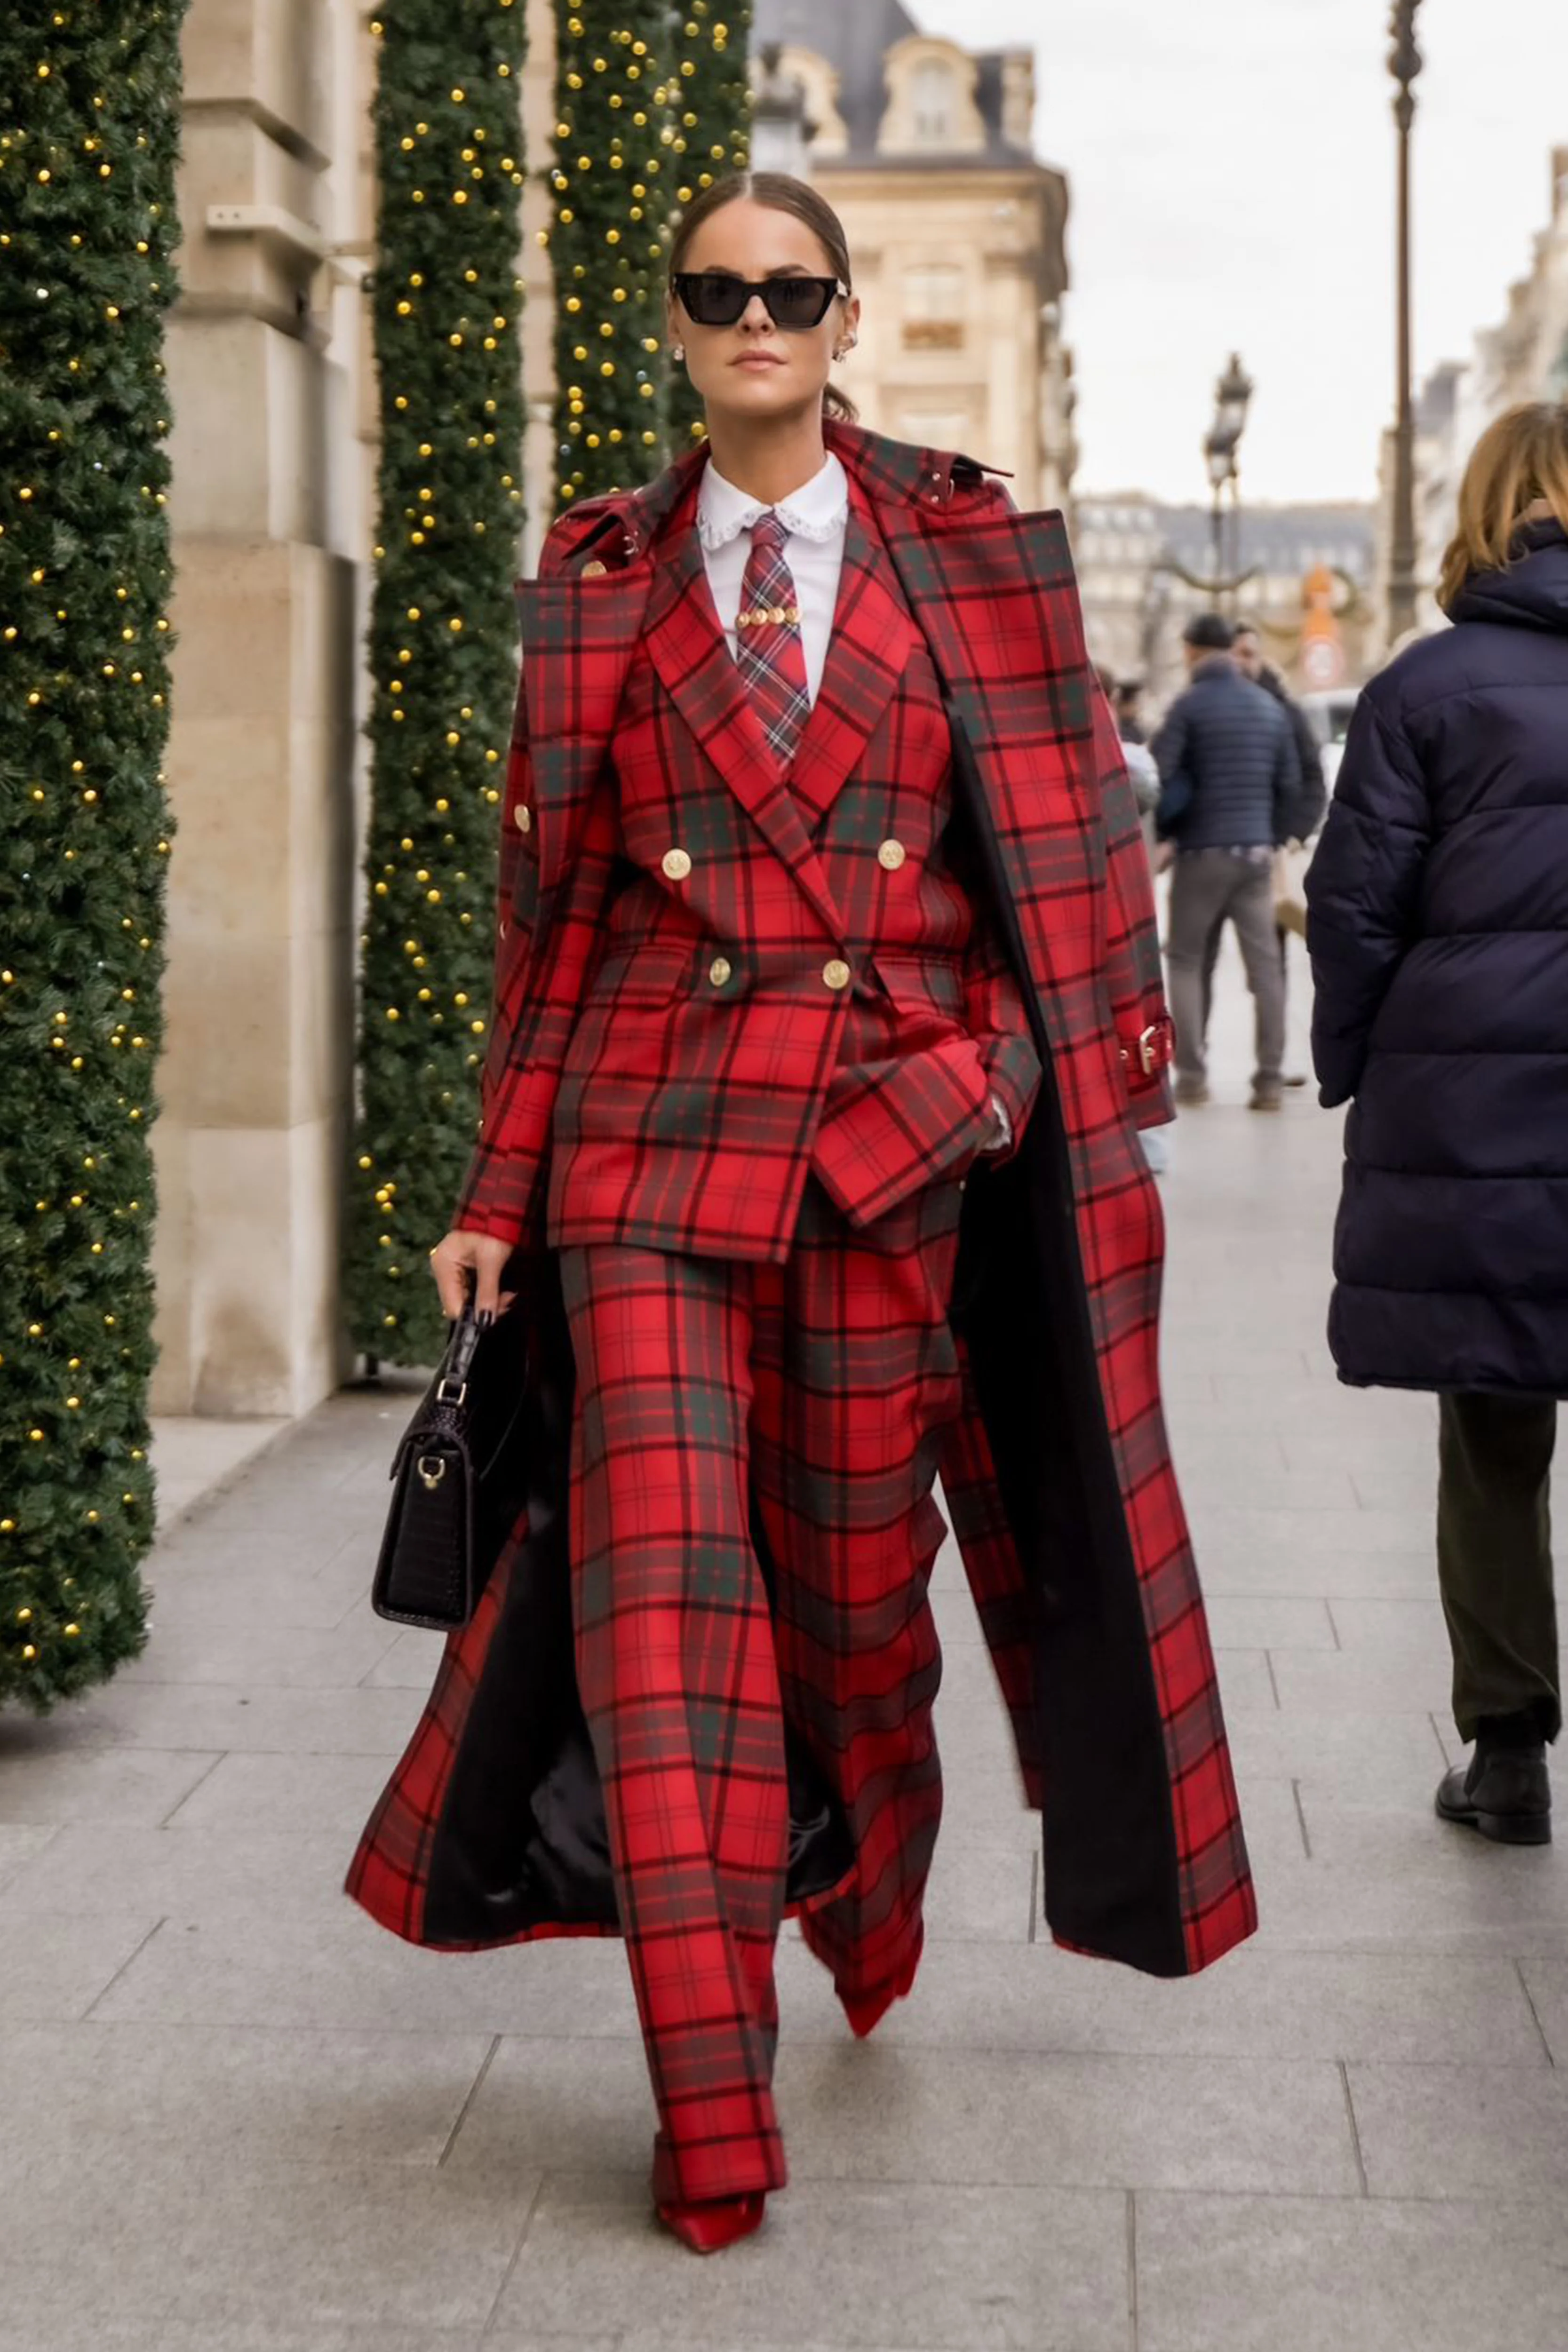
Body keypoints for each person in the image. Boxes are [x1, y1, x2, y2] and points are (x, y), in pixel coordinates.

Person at [347, 172, 1255, 2253]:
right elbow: (554, 917)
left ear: (842, 322)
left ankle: (872, 1869)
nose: (752, 316)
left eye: (790, 289)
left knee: (856, 1619)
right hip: (649, 1162)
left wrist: (1014, 1090)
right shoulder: (599, 569)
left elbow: (1074, 891)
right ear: (674, 325)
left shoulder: (973, 547)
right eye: (713, 291)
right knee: (658, 1622)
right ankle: (711, 2105)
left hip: (890, 1156)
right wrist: (502, 1186)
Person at [1306, 399, 1568, 1848]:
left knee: (1494, 1422)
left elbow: (1352, 909)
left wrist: (1360, 1062)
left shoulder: (1425, 687)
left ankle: (1509, 1745)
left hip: (1479, 1103)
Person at [1153, 612, 1297, 1110]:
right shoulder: (1268, 708)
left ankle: (1191, 1076)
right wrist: (1269, 833)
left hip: (1201, 853)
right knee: (1267, 967)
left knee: (1187, 960)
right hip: (1255, 852)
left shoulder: (1188, 706)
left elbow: (1155, 776)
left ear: (1193, 650)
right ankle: (1270, 1080)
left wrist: (1167, 833)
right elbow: (1289, 784)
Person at [1225, 622, 1328, 1086]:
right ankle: (1194, 1065)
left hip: (1267, 854)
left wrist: (1290, 834)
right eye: (1234, 652)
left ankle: (1273, 1064)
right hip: (1214, 850)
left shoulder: (1285, 711)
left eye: (1249, 652)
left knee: (1269, 964)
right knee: (1199, 960)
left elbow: (1311, 781)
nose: (1241, 661)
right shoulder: (1207, 702)